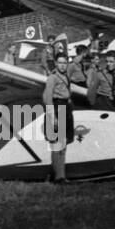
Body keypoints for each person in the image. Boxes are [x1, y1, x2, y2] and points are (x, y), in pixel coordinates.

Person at [42, 53, 73, 183]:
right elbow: (47, 98)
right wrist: (52, 117)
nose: (62, 65)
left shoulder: (66, 76)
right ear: (55, 63)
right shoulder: (52, 78)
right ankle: (58, 177)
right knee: (56, 145)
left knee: (63, 144)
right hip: (56, 107)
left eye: (64, 63)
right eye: (60, 62)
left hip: (65, 107)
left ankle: (62, 175)